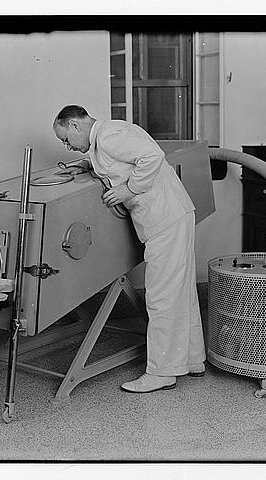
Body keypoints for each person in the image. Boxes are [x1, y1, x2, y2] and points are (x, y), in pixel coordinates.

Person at [53, 105, 206, 393]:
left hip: (165, 218)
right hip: (172, 215)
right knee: (180, 290)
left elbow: (153, 156)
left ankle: (162, 373)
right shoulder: (106, 137)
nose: (67, 146)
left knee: (162, 295)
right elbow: (124, 161)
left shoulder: (109, 136)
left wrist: (129, 190)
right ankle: (192, 358)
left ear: (75, 125)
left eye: (65, 139)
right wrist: (88, 164)